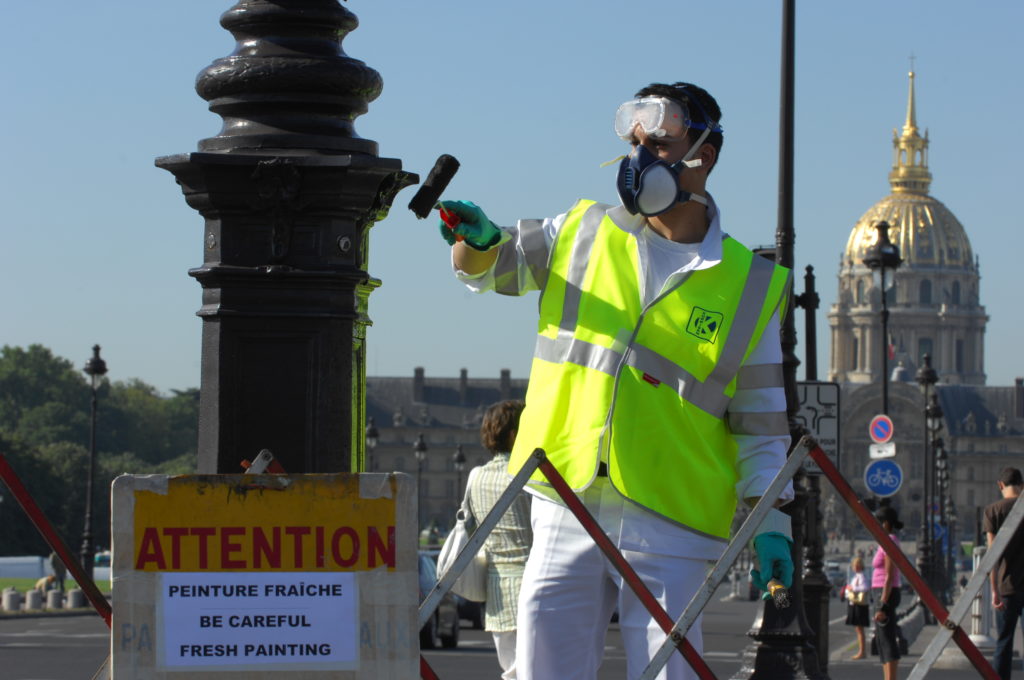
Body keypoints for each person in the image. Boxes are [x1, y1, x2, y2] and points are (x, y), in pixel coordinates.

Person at [439, 81, 795, 680]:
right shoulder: (582, 229)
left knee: (669, 672)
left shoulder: (750, 283)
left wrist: (771, 523)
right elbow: (498, 262)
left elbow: (762, 423)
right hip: (565, 493)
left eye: (658, 141)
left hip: (671, 514)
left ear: (702, 156)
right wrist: (474, 244)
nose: (639, 158)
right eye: (634, 142)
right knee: (540, 670)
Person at [467, 400, 532, 680]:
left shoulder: (475, 477)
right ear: (514, 435)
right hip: (532, 583)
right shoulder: (530, 475)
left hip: (496, 593)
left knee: (511, 669)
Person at [982, 466, 1024, 680]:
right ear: (1022, 485)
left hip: (1006, 587)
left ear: (1000, 485)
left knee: (1004, 642)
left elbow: (993, 556)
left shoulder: (993, 510)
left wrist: (994, 591)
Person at [871, 503, 904, 680]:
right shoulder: (885, 542)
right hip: (881, 592)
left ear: (885, 524)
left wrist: (883, 603)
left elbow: (889, 575)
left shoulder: (890, 541)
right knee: (882, 640)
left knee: (887, 639)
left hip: (886, 594)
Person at [845, 555, 870, 659]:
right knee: (858, 629)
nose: (854, 567)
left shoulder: (861, 576)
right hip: (855, 603)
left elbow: (865, 587)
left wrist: (852, 588)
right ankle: (862, 651)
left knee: (860, 629)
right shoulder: (857, 576)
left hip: (859, 604)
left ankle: (862, 651)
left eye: (856, 565)